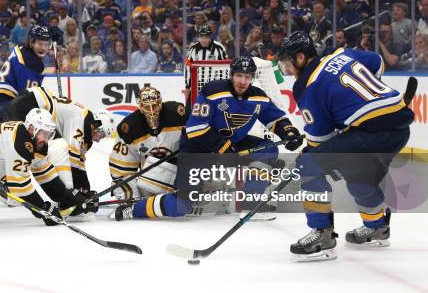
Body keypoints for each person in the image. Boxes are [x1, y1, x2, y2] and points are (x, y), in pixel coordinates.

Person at [278, 32, 414, 262]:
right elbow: (377, 62)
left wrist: (310, 153)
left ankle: (322, 235)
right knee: (360, 179)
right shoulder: (341, 54)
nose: (287, 70)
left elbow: (319, 139)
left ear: (300, 58)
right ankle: (377, 225)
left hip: (372, 134)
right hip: (399, 129)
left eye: (287, 64)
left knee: (308, 166)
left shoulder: (307, 86)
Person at [113, 58, 302, 221]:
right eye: (239, 76)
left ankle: (250, 202)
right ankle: (134, 209)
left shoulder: (258, 97)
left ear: (252, 78)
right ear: (231, 74)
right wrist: (222, 145)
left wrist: (288, 131)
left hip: (230, 145)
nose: (242, 81)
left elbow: (275, 118)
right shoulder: (213, 91)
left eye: (247, 77)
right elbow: (195, 127)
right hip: (197, 150)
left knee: (268, 149)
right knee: (181, 206)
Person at [4, 86, 116, 196]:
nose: (99, 140)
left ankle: (8, 181)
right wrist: (79, 191)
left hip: (21, 105)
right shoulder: (81, 119)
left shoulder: (83, 120)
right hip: (26, 107)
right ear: (97, 126)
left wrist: (84, 188)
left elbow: (79, 162)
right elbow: (73, 160)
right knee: (57, 148)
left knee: (30, 150)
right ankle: (66, 198)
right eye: (102, 135)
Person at [109, 86, 185, 218]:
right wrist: (131, 200)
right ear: (139, 106)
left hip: (181, 174)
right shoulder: (130, 127)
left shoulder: (177, 115)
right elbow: (121, 170)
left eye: (154, 106)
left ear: (161, 102)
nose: (151, 111)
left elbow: (198, 140)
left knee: (182, 205)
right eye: (146, 107)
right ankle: (143, 207)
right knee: (176, 206)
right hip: (150, 185)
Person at [0, 25, 50, 124]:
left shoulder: (22, 48)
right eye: (40, 43)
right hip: (1, 105)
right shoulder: (33, 64)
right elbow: (27, 98)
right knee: (34, 122)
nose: (43, 48)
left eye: (46, 44)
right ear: (31, 41)